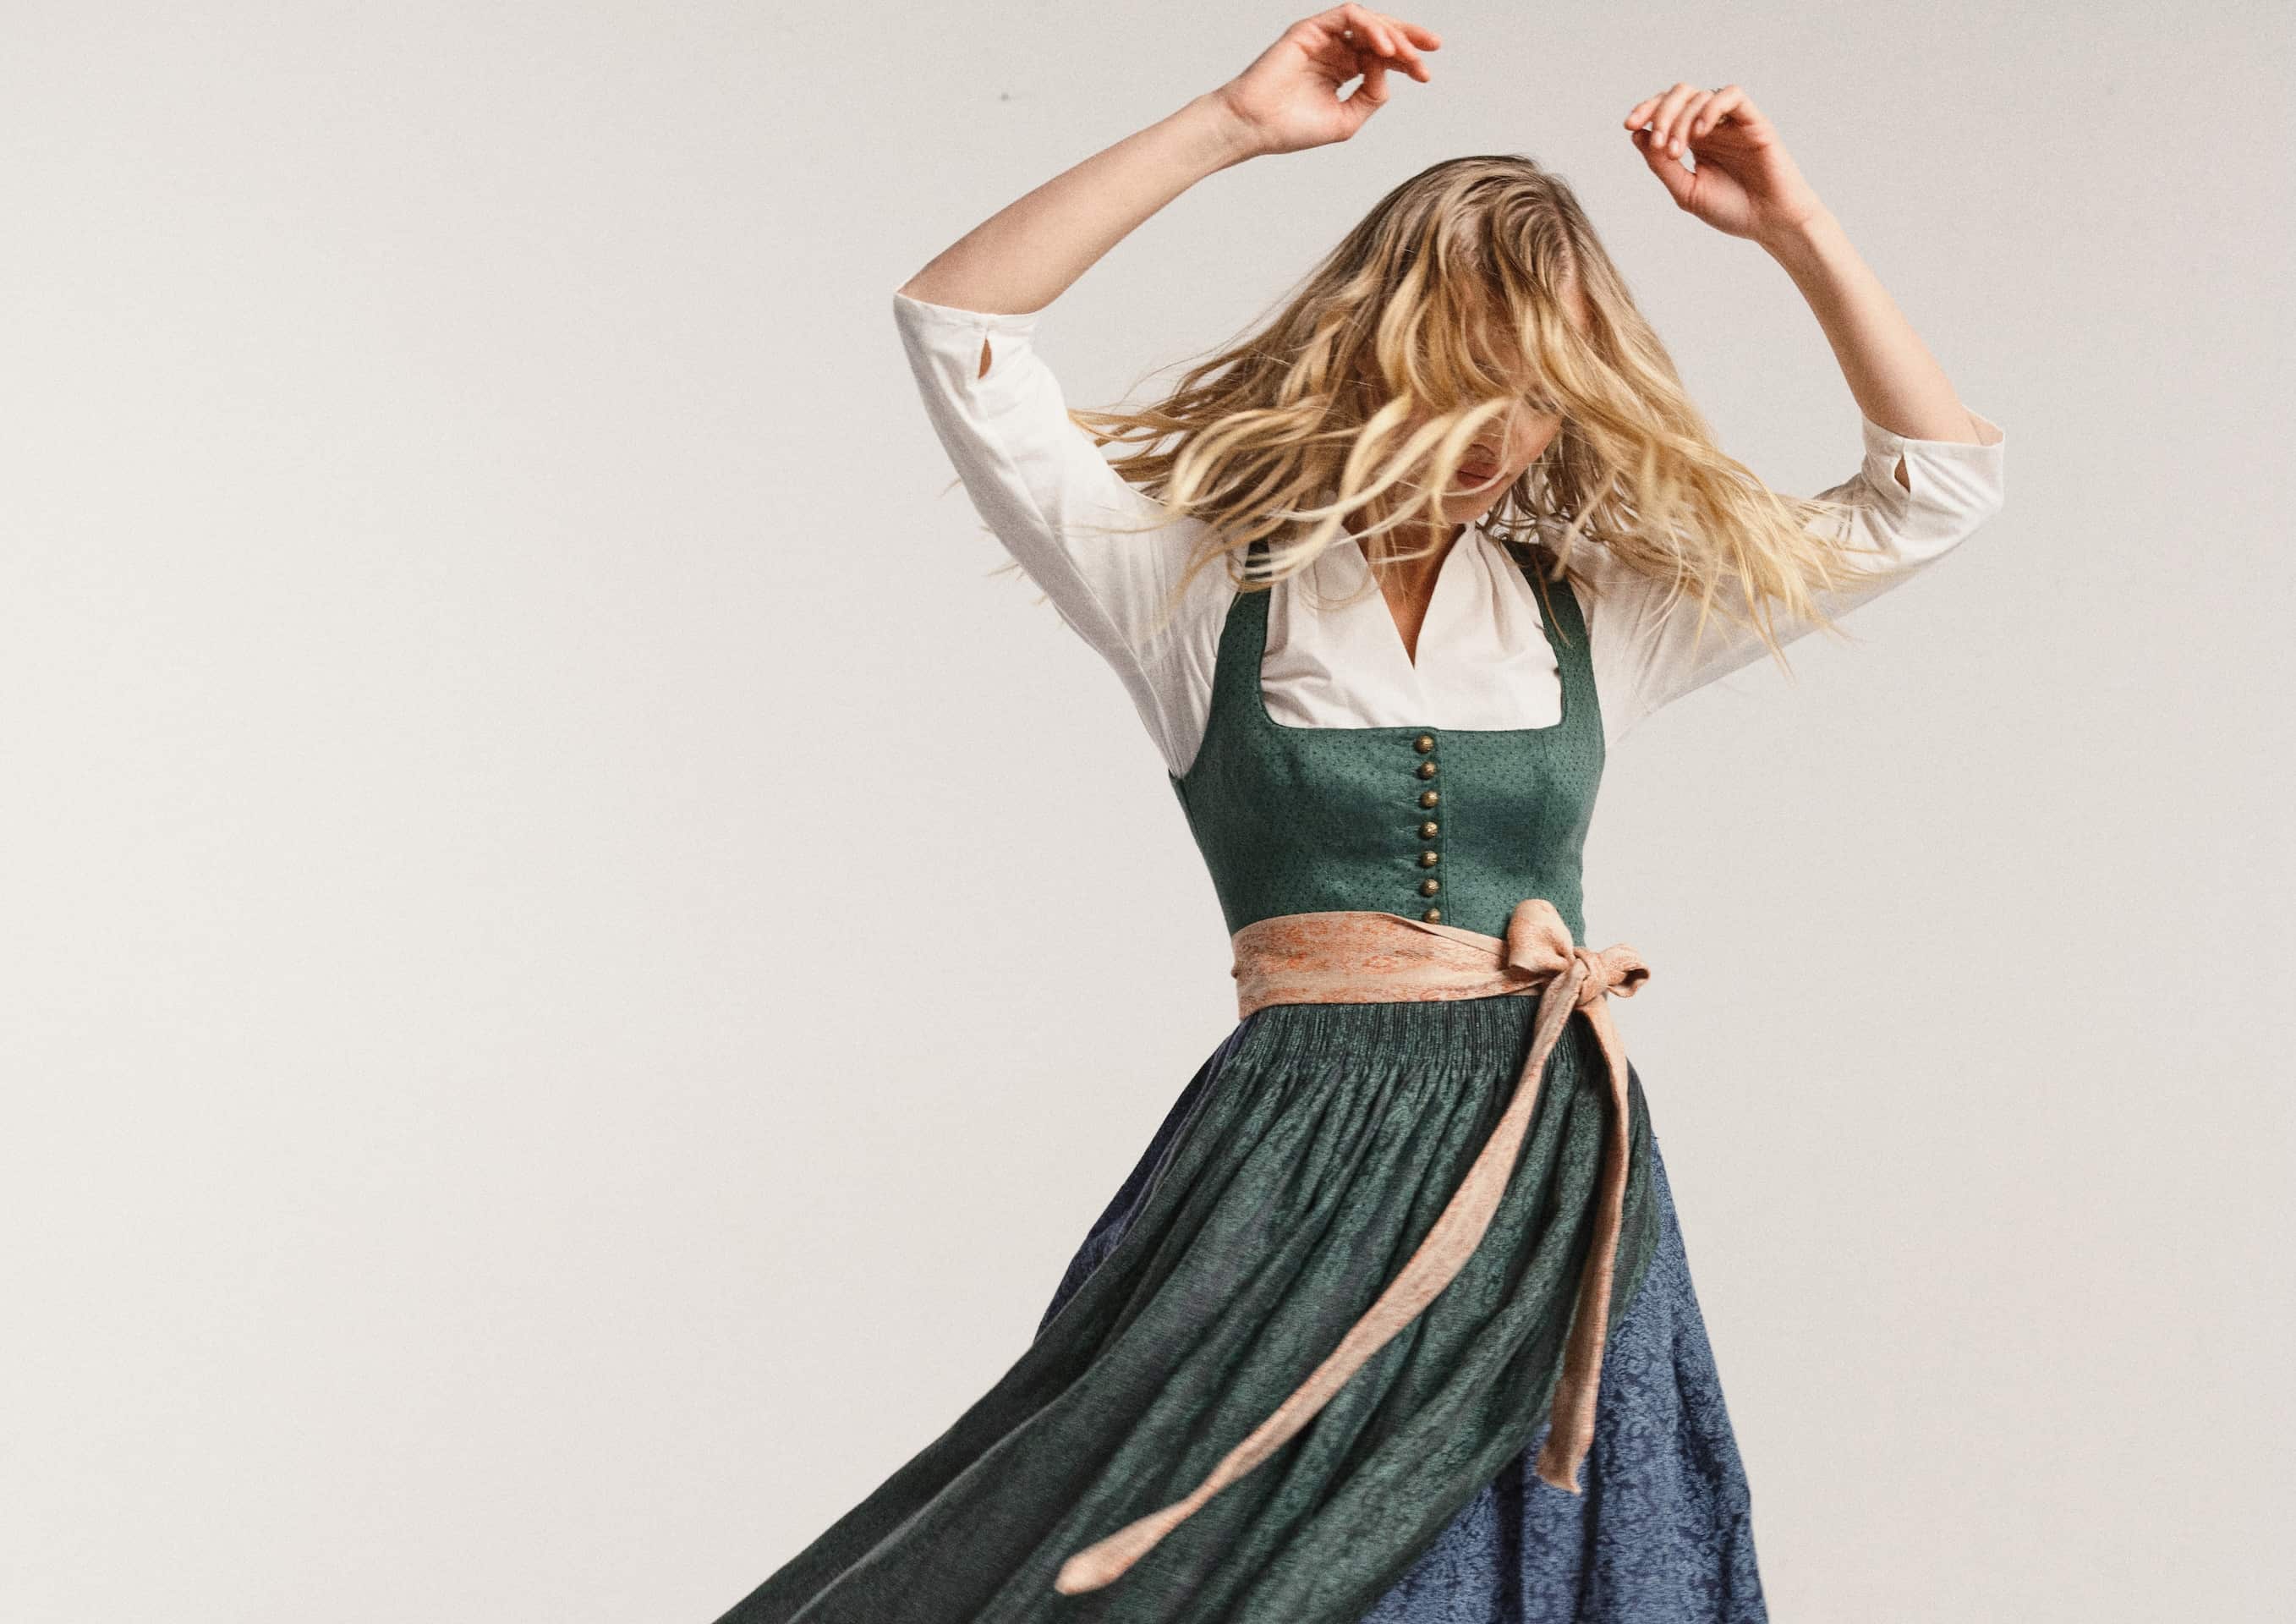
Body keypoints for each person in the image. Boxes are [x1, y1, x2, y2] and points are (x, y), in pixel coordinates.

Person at [717, 7, 2005, 1621]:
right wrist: (1230, 124)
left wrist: (1796, 227)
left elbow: (1937, 487)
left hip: (1547, 1168)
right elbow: (958, 321)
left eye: (1537, 393)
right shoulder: (1195, 591)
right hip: (1281, 1175)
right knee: (1177, 1563)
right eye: (1463, 378)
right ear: (1372, 361)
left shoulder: (1594, 613)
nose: (1499, 434)